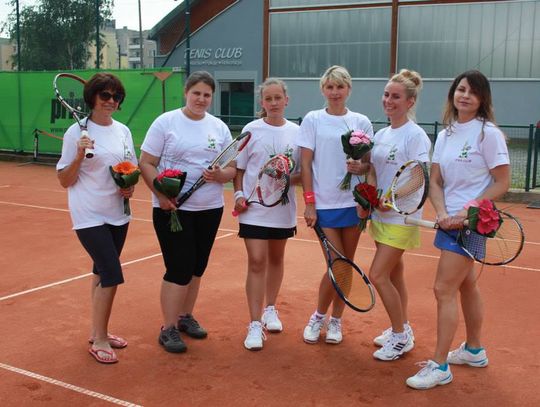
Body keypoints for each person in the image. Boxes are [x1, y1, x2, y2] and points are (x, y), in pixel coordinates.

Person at [406, 70, 510, 389]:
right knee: (465, 286)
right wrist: (442, 212)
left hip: (471, 224)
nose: (464, 95)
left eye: (472, 92)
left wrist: (465, 212)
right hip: (449, 220)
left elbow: (502, 181)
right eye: (460, 89)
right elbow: (435, 181)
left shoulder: (487, 133)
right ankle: (474, 350)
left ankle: (440, 365)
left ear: (482, 99)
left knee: (443, 289)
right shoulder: (448, 133)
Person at [139, 71, 236, 353]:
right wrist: (161, 195)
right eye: (197, 93)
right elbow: (146, 162)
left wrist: (220, 175)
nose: (201, 99)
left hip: (210, 208)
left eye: (207, 95)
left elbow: (232, 168)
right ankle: (167, 328)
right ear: (186, 92)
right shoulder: (165, 122)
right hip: (173, 210)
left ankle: (184, 317)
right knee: (179, 267)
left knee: (196, 267)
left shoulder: (218, 127)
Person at [57, 73, 135, 364]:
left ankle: (96, 330)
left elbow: (130, 168)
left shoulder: (123, 131)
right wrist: (79, 155)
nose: (111, 101)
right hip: (89, 214)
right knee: (111, 274)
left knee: (101, 272)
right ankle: (100, 339)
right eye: (105, 96)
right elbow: (65, 180)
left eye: (116, 96)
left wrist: (129, 184)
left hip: (119, 213)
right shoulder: (74, 133)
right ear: (92, 98)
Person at [297, 65, 373, 344]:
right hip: (325, 204)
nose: (335, 92)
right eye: (330, 87)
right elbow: (305, 164)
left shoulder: (361, 121)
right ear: (323, 90)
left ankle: (337, 320)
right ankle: (318, 316)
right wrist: (309, 203)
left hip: (353, 204)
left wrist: (359, 167)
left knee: (347, 264)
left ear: (348, 89)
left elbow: (368, 164)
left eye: (340, 87)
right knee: (336, 263)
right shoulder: (313, 119)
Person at [363, 69, 431, 361]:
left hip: (402, 217)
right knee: (394, 273)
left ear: (410, 102)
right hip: (381, 216)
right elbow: (375, 170)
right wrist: (374, 194)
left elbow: (419, 178)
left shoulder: (415, 136)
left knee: (377, 275)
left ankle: (401, 337)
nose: (388, 101)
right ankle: (402, 328)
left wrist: (390, 198)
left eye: (396, 97)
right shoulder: (382, 133)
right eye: (386, 95)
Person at [232, 78, 301, 351]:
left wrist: (285, 178)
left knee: (276, 258)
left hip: (282, 208)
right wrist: (238, 195)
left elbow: (302, 173)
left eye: (278, 98)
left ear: (287, 100)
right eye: (268, 99)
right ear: (262, 102)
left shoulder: (298, 132)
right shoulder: (251, 130)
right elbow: (238, 170)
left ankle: (271, 307)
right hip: (253, 207)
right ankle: (254, 322)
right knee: (257, 261)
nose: (273, 103)